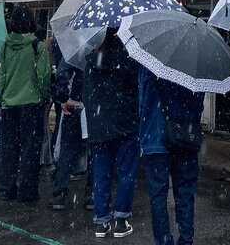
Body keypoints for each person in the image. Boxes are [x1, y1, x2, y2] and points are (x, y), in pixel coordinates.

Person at [138, 66, 205, 245]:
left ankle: (163, 241)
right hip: (185, 137)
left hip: (155, 134)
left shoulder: (149, 62)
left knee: (158, 196)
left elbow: (142, 99)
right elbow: (199, 104)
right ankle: (186, 240)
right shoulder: (195, 65)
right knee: (185, 193)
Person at [84, 29, 140, 239]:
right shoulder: (128, 61)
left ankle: (101, 221)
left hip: (100, 126)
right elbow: (136, 91)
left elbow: (86, 95)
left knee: (101, 173)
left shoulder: (91, 62)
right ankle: (121, 220)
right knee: (126, 172)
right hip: (127, 124)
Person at [0, 6, 51, 203]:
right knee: (30, 148)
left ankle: (6, 187)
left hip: (9, 103)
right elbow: (43, 76)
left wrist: (2, 99)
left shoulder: (6, 45)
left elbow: (0, 75)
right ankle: (27, 191)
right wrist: (44, 95)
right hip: (31, 103)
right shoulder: (37, 46)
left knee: (8, 147)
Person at [48, 60, 91, 210]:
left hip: (74, 104)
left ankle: (59, 193)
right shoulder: (103, 50)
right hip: (94, 105)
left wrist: (64, 98)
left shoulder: (75, 52)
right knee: (96, 153)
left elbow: (62, 73)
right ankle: (92, 194)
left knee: (67, 151)